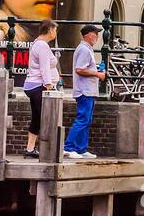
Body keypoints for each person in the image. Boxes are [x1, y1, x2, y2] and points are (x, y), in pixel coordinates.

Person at [64, 24, 106, 160]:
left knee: (86, 120)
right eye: (95, 33)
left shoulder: (86, 49)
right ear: (88, 35)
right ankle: (68, 147)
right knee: (82, 120)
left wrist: (97, 69)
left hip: (88, 91)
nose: (98, 36)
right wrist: (98, 74)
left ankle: (81, 149)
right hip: (85, 91)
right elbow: (79, 69)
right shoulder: (84, 50)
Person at [22, 20, 60, 157]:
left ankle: (30, 149)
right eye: (55, 30)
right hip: (39, 86)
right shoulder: (43, 46)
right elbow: (44, 67)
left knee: (37, 118)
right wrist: (49, 86)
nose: (55, 33)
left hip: (33, 85)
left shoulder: (36, 43)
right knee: (46, 118)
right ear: (50, 30)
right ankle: (48, 151)